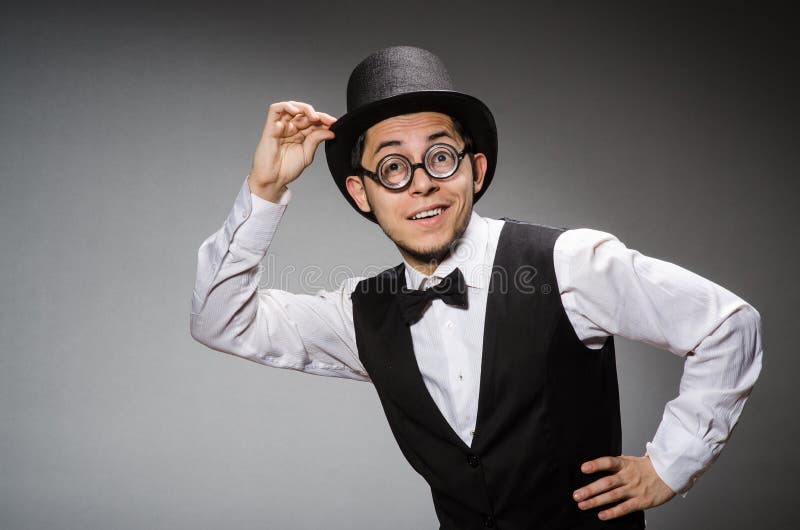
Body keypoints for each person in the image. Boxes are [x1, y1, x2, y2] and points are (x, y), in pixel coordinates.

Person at [190, 46, 762, 529]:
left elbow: (726, 324)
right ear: (363, 194)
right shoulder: (358, 315)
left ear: (476, 170)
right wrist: (264, 189)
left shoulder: (570, 263)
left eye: (440, 157)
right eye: (392, 167)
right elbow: (219, 319)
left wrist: (670, 464)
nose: (422, 186)